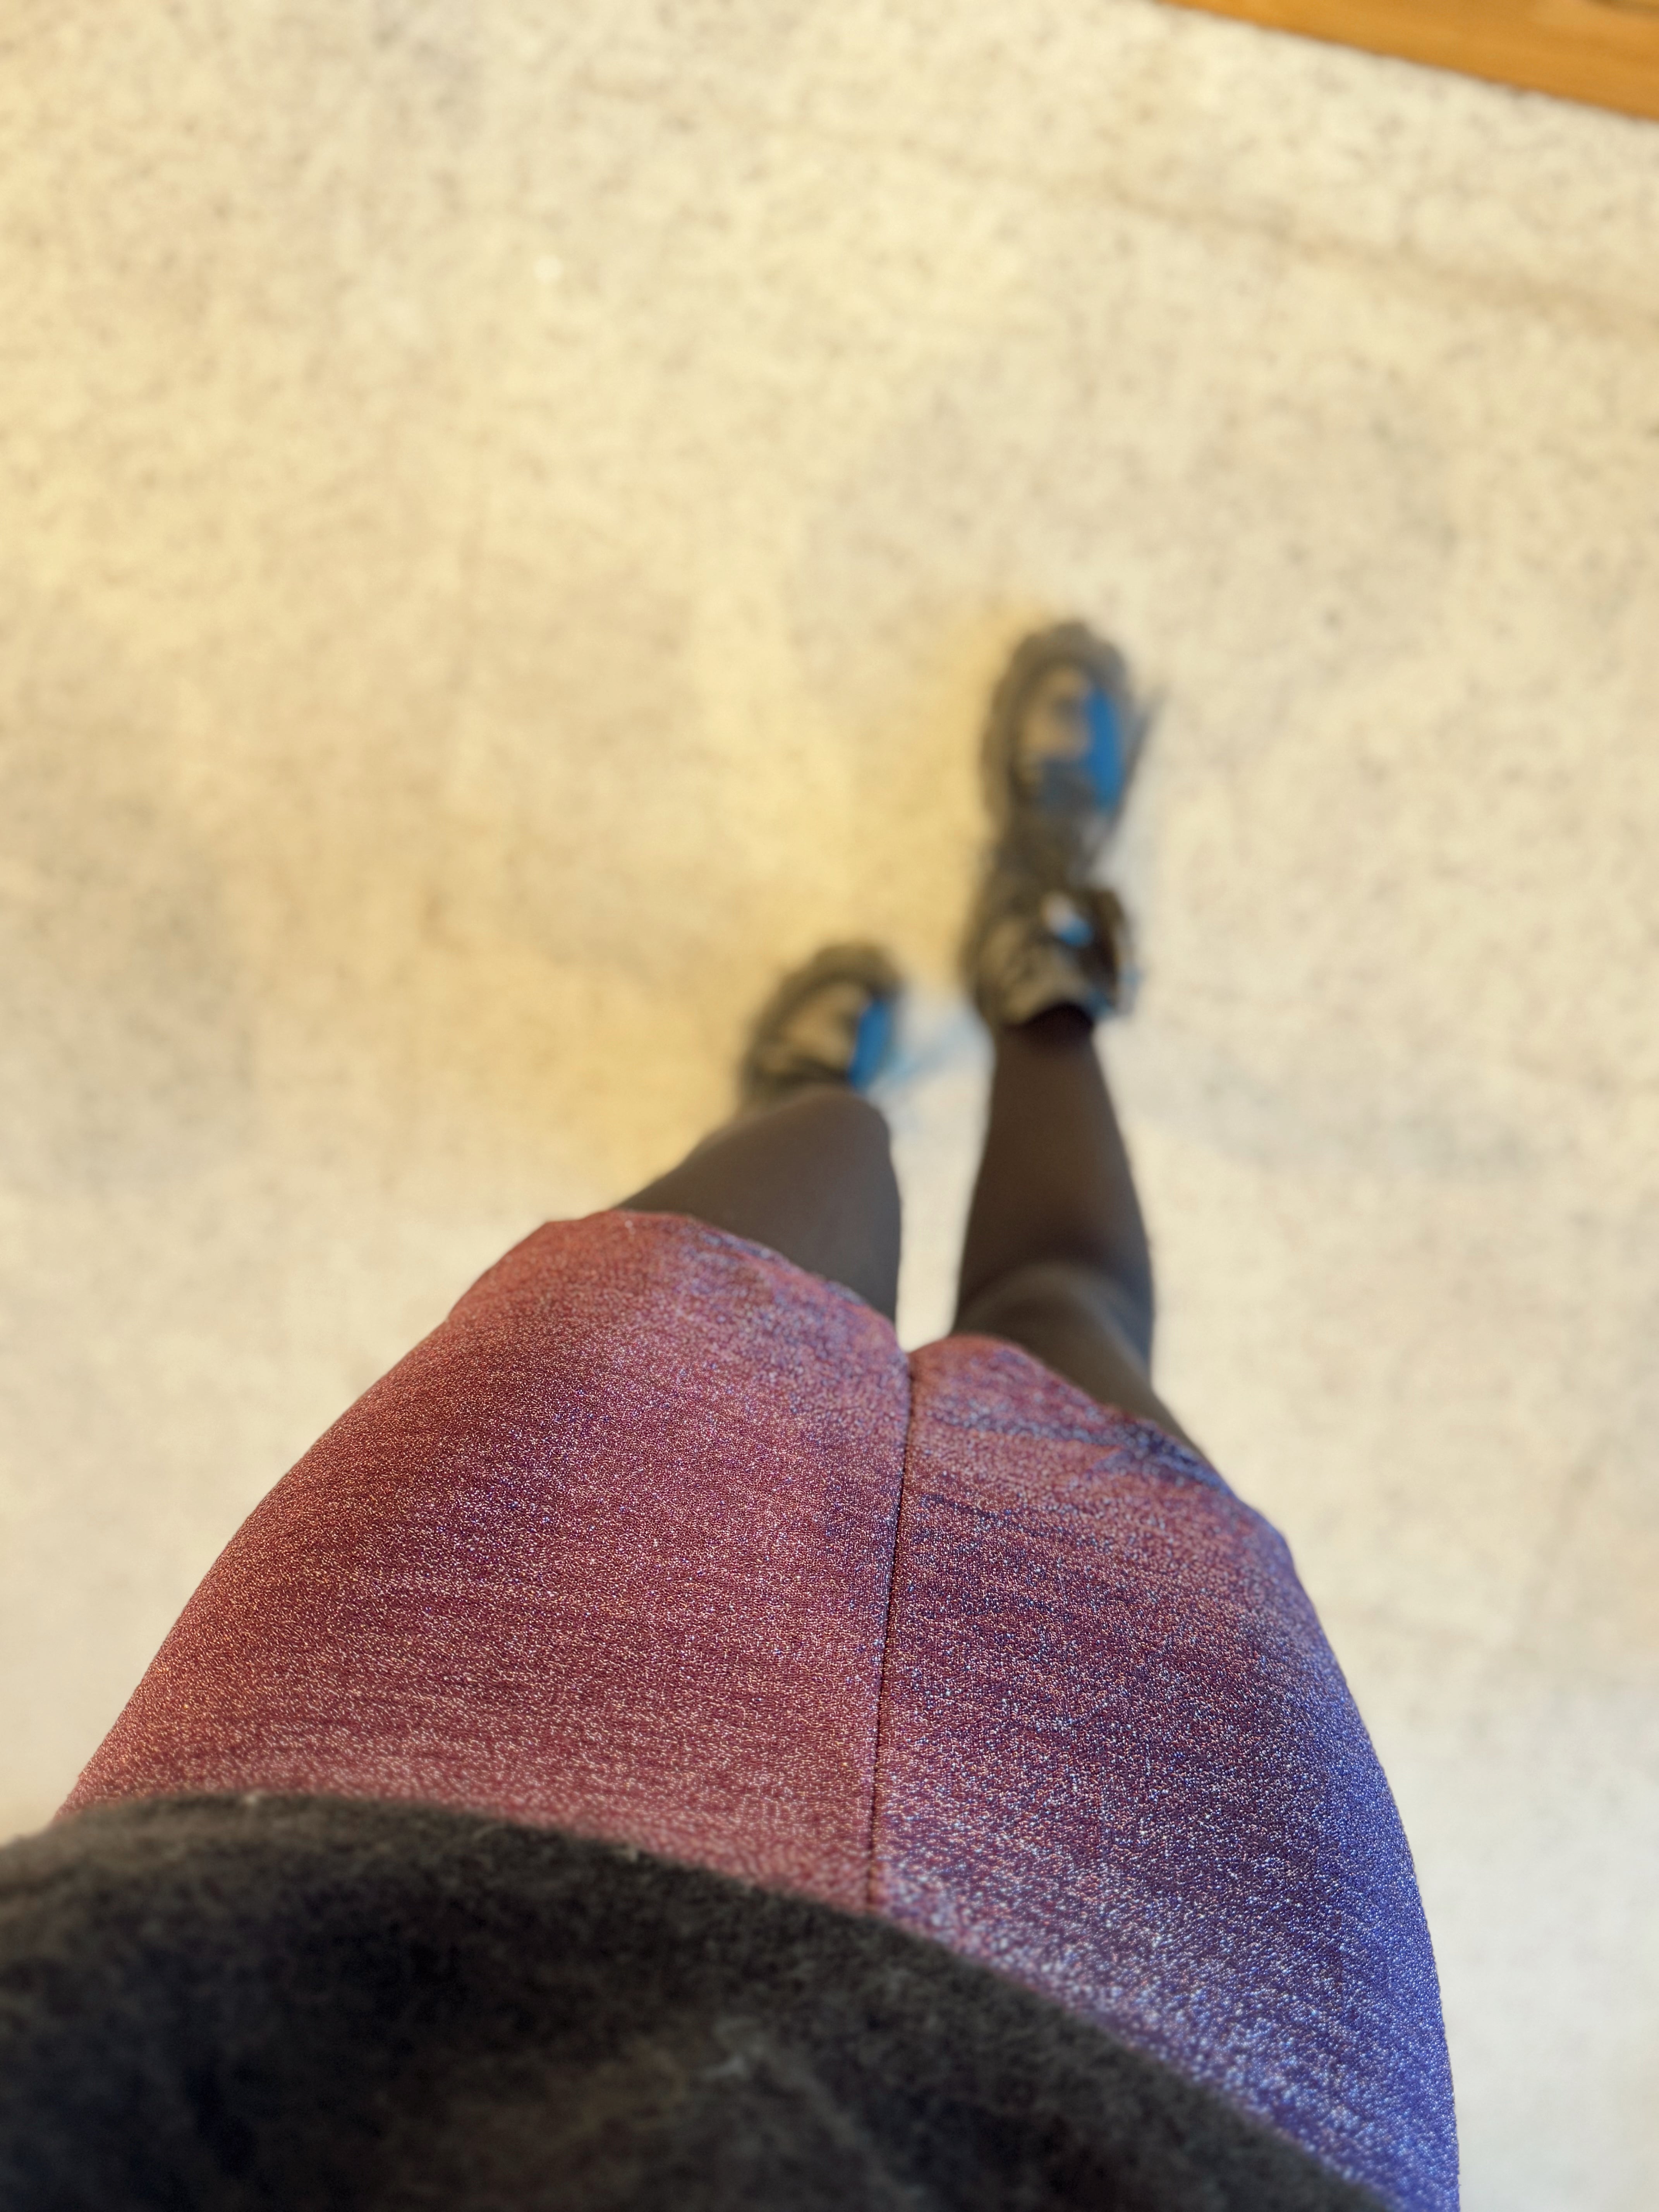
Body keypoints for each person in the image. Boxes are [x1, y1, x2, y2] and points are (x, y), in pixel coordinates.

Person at [0, 625, 1457, 2212]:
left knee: (818, 1163)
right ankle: (1042, 962)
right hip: (1183, 2100)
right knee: (1066, 1319)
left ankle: (818, 1078)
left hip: (319, 1891)